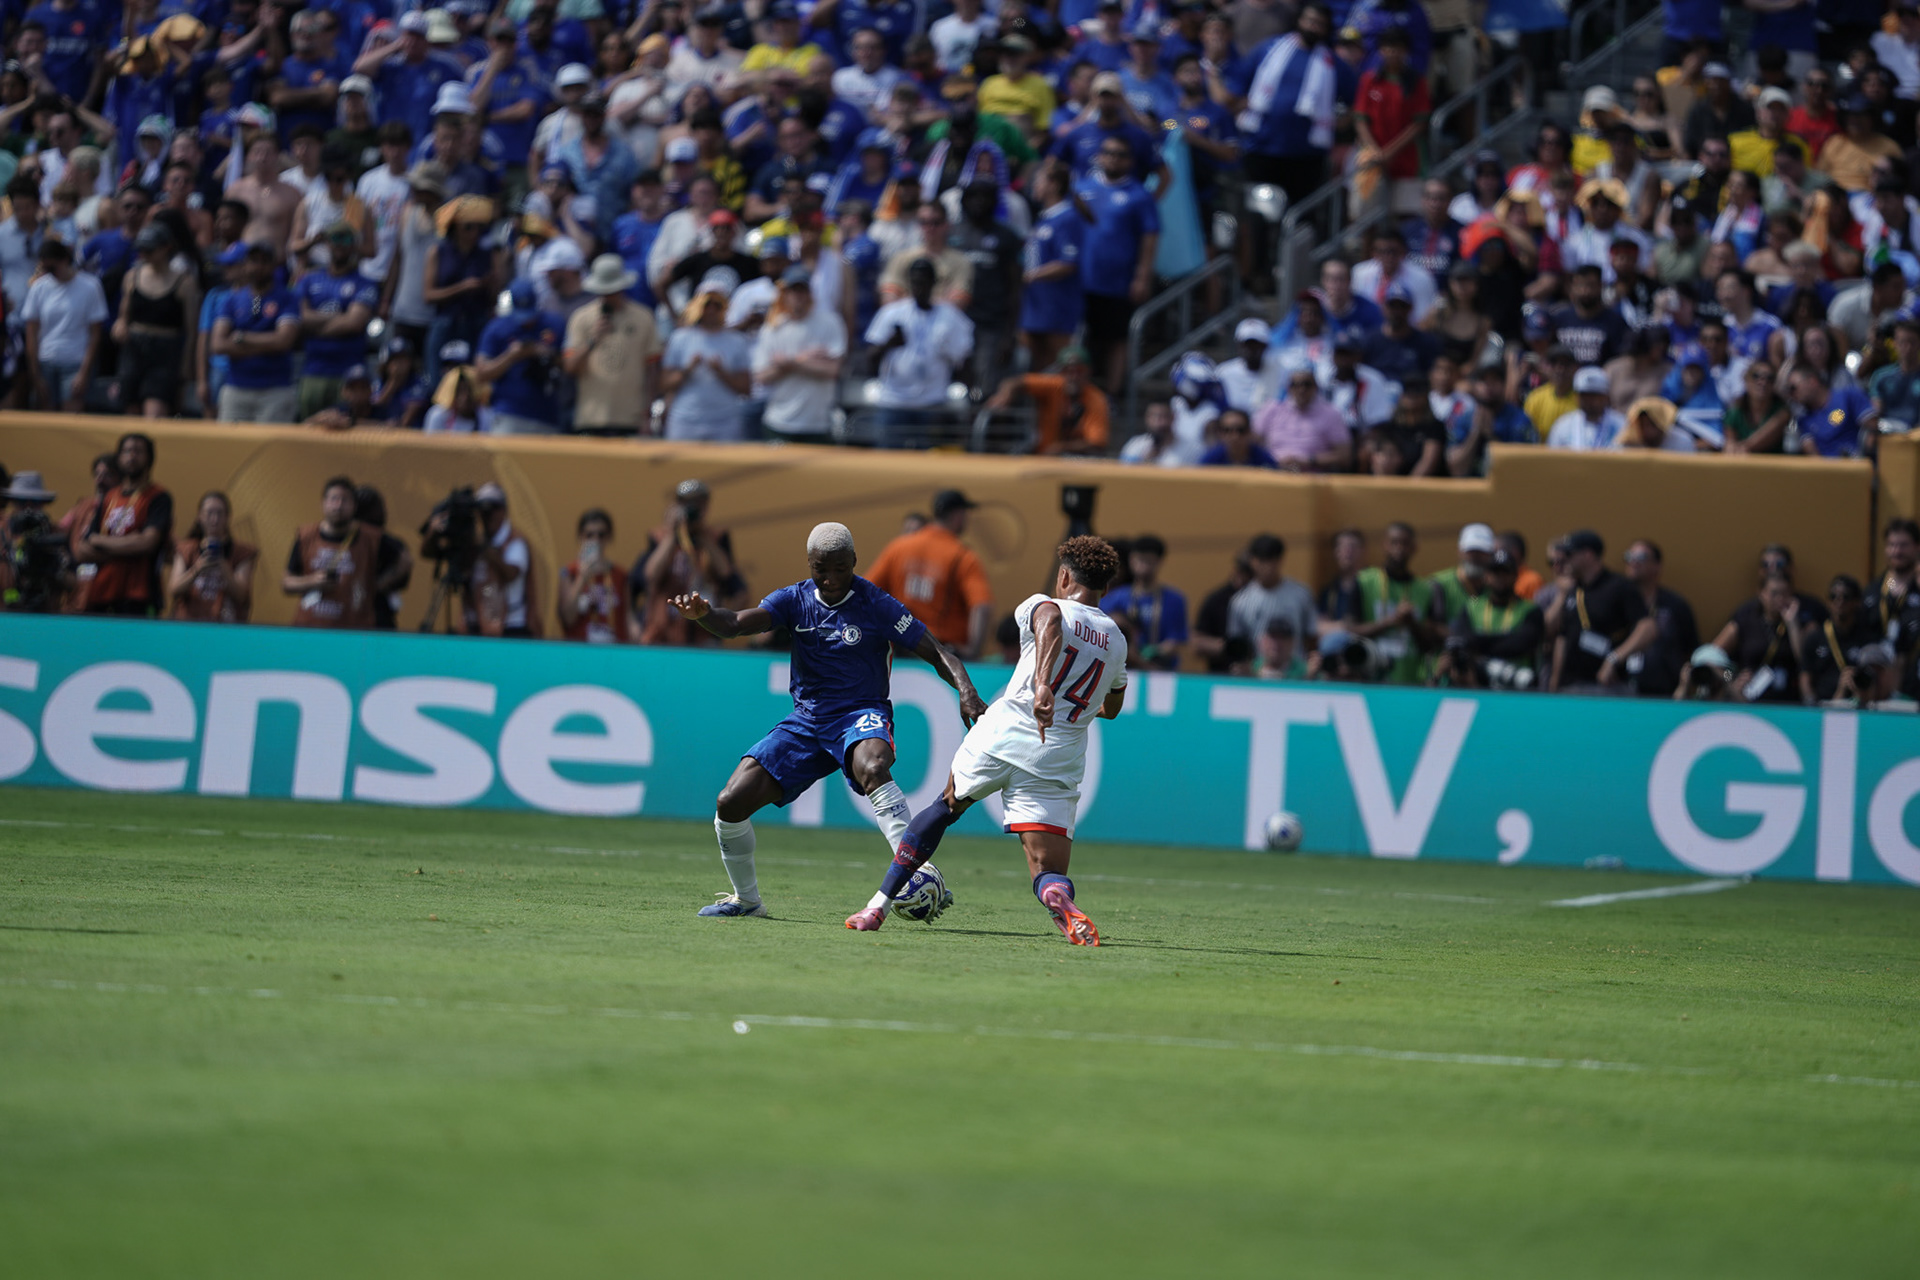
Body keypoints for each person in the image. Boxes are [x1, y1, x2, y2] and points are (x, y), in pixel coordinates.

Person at [668, 520, 987, 919]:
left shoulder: (876, 603)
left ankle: (917, 870)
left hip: (861, 713)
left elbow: (937, 651)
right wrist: (703, 614)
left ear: (854, 561)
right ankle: (746, 901)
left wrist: (966, 690)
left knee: (873, 764)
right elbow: (734, 624)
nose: (832, 578)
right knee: (729, 803)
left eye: (841, 568)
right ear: (809, 564)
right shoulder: (793, 600)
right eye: (822, 568)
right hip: (807, 722)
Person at [843, 535, 1124, 943]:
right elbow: (1112, 708)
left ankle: (877, 906)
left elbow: (1050, 622)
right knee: (1048, 870)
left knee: (947, 806)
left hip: (1006, 733)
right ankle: (1062, 903)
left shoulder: (1045, 604)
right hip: (1058, 753)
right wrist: (1078, 705)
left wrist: (1043, 684)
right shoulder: (1117, 639)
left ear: (1064, 576)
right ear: (1106, 588)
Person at [1075, 131, 1160, 393]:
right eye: (1109, 153)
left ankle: (1111, 394)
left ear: (1130, 161)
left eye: (1120, 155)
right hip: (1081, 278)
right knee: (1080, 338)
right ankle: (1079, 393)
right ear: (1099, 156)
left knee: (1116, 338)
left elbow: (1150, 236)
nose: (1114, 159)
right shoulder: (1082, 189)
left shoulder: (1139, 195)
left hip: (1119, 280)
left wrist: (1142, 275)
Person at [867, 488, 995, 659]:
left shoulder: (898, 547)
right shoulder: (962, 556)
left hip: (901, 648)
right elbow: (981, 607)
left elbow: (867, 592)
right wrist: (973, 653)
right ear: (958, 515)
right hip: (940, 654)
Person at [864, 256, 974, 426]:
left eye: (924, 282)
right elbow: (870, 358)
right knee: (887, 452)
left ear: (933, 283)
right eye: (915, 282)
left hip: (932, 404)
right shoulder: (891, 313)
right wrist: (889, 344)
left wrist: (971, 398)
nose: (919, 288)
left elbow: (964, 361)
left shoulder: (950, 317)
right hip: (894, 402)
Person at [563, 253, 663, 434]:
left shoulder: (643, 317)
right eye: (604, 291)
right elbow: (570, 367)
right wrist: (592, 340)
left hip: (630, 418)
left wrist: (647, 414)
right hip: (591, 417)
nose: (608, 295)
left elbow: (652, 369)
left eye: (612, 291)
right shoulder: (581, 318)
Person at [1548, 528, 1658, 693]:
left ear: (1588, 555)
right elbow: (1562, 638)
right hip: (1570, 687)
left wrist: (1614, 659)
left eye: (1569, 555)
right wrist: (1554, 682)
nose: (1565, 561)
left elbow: (1648, 628)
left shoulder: (1619, 587)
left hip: (1607, 687)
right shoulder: (1573, 590)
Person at [76, 433, 171, 618]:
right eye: (127, 451)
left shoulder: (158, 497)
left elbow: (147, 543)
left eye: (138, 451)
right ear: (119, 458)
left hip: (139, 595)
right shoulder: (109, 497)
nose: (132, 456)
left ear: (150, 458)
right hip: (101, 593)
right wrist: (129, 545)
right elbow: (82, 549)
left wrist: (101, 542)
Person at [752, 264, 846, 441]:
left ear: (810, 293)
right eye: (793, 291)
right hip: (780, 421)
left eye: (802, 291)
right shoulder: (773, 329)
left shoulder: (830, 322)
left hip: (818, 424)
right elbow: (762, 376)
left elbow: (833, 370)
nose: (798, 297)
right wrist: (806, 359)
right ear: (785, 295)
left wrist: (791, 363)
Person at [111, 223, 196, 417]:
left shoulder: (184, 283)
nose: (144, 254)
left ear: (166, 247)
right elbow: (124, 317)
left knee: (155, 412)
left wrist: (186, 365)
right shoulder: (132, 277)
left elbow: (191, 330)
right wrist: (120, 326)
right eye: (141, 249)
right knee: (130, 409)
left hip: (165, 350)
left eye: (149, 249)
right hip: (135, 346)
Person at [211, 241, 301, 422]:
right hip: (237, 388)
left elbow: (284, 341)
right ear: (245, 265)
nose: (258, 267)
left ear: (273, 265)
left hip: (275, 390)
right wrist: (268, 344)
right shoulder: (232, 299)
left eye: (264, 261)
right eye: (253, 261)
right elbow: (218, 344)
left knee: (272, 449)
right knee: (231, 448)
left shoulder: (287, 298)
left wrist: (242, 338)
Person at [662, 273, 753, 440]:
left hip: (725, 422)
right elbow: (665, 384)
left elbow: (746, 389)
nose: (711, 309)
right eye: (706, 304)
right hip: (685, 421)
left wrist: (721, 372)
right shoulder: (680, 338)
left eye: (717, 305)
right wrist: (688, 369)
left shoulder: (737, 341)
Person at [20, 237, 106, 412]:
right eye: (44, 268)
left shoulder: (90, 286)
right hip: (46, 361)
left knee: (71, 418)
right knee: (46, 420)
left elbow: (95, 334)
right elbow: (31, 333)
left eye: (51, 268)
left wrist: (84, 372)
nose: (48, 272)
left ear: (65, 260)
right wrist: (35, 375)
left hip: (76, 362)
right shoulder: (39, 288)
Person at [282, 475, 379, 629]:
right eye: (334, 499)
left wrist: (375, 587)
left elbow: (404, 561)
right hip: (309, 626)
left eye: (345, 500)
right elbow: (286, 583)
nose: (338, 505)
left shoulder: (370, 538)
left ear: (354, 506)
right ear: (323, 503)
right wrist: (312, 581)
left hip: (352, 629)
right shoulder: (306, 536)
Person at [1438, 548, 1543, 689]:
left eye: (1505, 572)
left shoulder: (1530, 610)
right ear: (1486, 576)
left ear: (1515, 576)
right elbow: (1463, 640)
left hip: (1518, 688)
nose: (1500, 578)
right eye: (1495, 572)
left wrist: (1477, 642)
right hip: (1478, 685)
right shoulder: (1471, 607)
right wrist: (1506, 639)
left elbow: (1521, 644)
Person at [985, 347, 1110, 456]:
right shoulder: (1054, 385)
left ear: (1088, 372)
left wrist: (1062, 447)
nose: (1074, 376)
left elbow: (1096, 443)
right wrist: (1005, 395)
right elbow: (1014, 382)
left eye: (1080, 371)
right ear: (1061, 372)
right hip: (1042, 456)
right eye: (1068, 371)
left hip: (1077, 462)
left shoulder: (1096, 399)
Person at [1352, 521, 1434, 685]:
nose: (1400, 548)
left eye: (1405, 544)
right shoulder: (1364, 581)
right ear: (1384, 545)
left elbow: (1429, 645)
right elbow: (1352, 632)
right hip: (1370, 679)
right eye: (1394, 542)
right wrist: (1391, 622)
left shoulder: (1424, 589)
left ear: (1414, 548)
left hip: (1410, 681)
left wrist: (1412, 623)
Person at [1710, 574, 1808, 703]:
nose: (1779, 599)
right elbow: (1713, 659)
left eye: (1784, 594)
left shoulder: (1799, 623)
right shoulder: (1745, 621)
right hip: (1750, 701)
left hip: (1787, 701)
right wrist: (1731, 681)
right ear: (1762, 593)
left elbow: (1804, 660)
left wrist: (1792, 624)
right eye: (1774, 593)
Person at [1621, 539, 1697, 698]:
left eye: (1641, 557)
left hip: (1665, 694)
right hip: (1620, 691)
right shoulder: (1617, 603)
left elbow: (1691, 649)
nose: (1633, 561)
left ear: (1657, 566)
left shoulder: (1675, 605)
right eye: (1629, 556)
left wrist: (1684, 686)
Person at [1100, 534, 1187, 672]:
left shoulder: (1174, 600)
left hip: (1161, 671)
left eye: (1148, 561)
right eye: (1139, 559)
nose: (1143, 566)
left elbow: (1176, 641)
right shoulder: (1115, 597)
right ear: (1131, 560)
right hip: (1123, 670)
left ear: (1159, 562)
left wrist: (1154, 652)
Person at [166, 490, 255, 623]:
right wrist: (197, 569)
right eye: (209, 513)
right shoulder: (186, 549)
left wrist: (222, 565)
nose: (215, 519)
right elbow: (174, 589)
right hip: (188, 624)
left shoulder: (242, 553)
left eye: (220, 513)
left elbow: (241, 595)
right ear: (199, 516)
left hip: (226, 625)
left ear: (228, 517)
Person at [1225, 532, 1315, 660]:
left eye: (1271, 560)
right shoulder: (1240, 601)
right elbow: (1238, 643)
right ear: (1252, 561)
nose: (1267, 567)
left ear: (1280, 560)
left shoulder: (1301, 594)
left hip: (1296, 673)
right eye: (1262, 561)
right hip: (1258, 674)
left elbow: (1311, 637)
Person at [1806, 574, 1890, 704]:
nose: (1839, 602)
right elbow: (1805, 678)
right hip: (1823, 705)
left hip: (1861, 703)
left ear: (1857, 602)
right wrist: (1810, 706)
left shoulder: (1868, 639)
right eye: (1834, 597)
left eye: (1845, 597)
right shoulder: (1815, 638)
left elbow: (1881, 683)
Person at [557, 507, 636, 644]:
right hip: (580, 650)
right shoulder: (569, 573)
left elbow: (627, 617)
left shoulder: (620, 575)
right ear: (581, 537)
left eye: (601, 535)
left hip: (613, 650)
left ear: (609, 537)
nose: (595, 540)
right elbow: (568, 618)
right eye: (589, 535)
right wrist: (583, 578)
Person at [1256, 366, 1352, 471]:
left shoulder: (1331, 414)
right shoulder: (1272, 409)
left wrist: (1307, 461)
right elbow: (1253, 443)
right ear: (1288, 388)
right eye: (1295, 385)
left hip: (1311, 477)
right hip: (1273, 472)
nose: (1301, 389)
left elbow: (1344, 456)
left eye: (1307, 384)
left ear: (1315, 387)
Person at [1447, 363, 1536, 475]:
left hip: (1508, 488)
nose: (1488, 386)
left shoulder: (1520, 419)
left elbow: (1525, 468)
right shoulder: (1464, 417)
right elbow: (1456, 468)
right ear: (1474, 386)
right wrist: (1476, 433)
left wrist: (1491, 437)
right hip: (1471, 488)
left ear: (1504, 385)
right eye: (1483, 381)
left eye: (1494, 381)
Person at [1547, 366, 1626, 450]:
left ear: (1606, 396)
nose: (1589, 400)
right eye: (1584, 395)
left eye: (1594, 395)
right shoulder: (1562, 426)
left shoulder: (1622, 425)